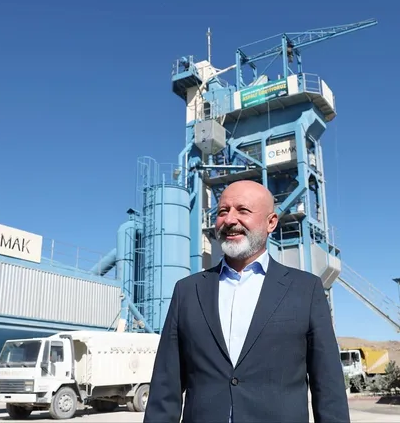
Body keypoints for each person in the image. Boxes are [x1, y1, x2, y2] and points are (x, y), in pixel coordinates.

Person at [143, 180, 350, 423]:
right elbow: (165, 386)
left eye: (243, 210)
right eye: (223, 211)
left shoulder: (306, 289)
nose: (230, 220)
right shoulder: (187, 291)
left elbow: (329, 388)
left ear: (271, 222)